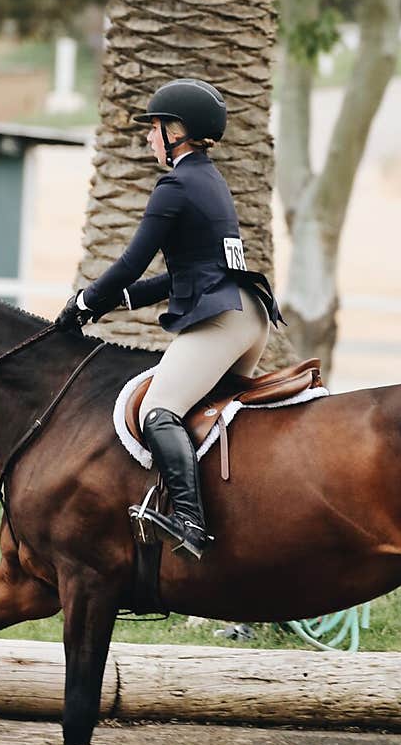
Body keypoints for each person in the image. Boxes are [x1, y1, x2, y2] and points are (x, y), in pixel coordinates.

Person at [55, 78, 285, 561]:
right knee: (213, 424)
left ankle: (188, 521)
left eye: (154, 127)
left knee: (157, 410)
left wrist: (83, 305)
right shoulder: (209, 180)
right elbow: (170, 278)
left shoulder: (176, 185)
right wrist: (110, 304)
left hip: (222, 319)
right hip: (248, 316)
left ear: (176, 130)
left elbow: (129, 264)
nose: (147, 137)